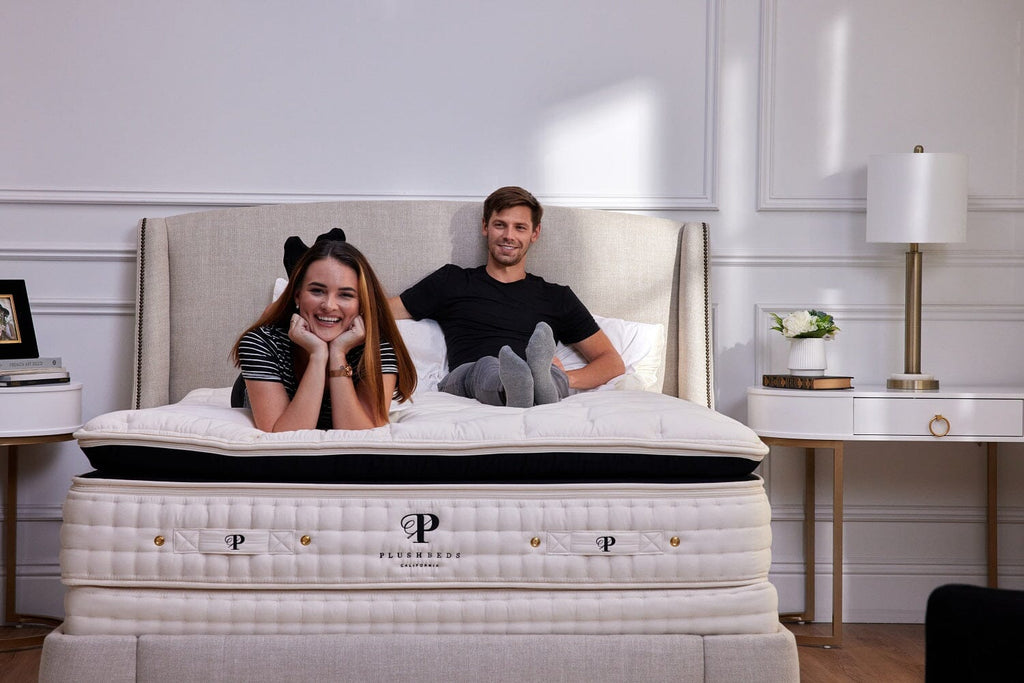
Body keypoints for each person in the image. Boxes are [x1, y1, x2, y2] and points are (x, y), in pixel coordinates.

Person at [389, 186, 624, 408]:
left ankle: (541, 383)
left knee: (548, 375)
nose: (508, 235)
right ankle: (521, 386)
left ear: (535, 233)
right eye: (500, 225)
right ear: (485, 227)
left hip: (536, 374)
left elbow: (611, 362)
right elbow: (382, 311)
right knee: (488, 366)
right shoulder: (452, 281)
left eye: (520, 227)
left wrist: (567, 377)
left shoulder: (556, 297)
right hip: (467, 376)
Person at [232, 235, 416, 431]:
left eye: (345, 294)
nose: (329, 305)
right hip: (257, 387)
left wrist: (337, 354)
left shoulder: (378, 351)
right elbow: (282, 437)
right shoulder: (261, 343)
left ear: (362, 304)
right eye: (317, 291)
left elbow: (362, 436)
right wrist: (318, 355)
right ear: (297, 296)